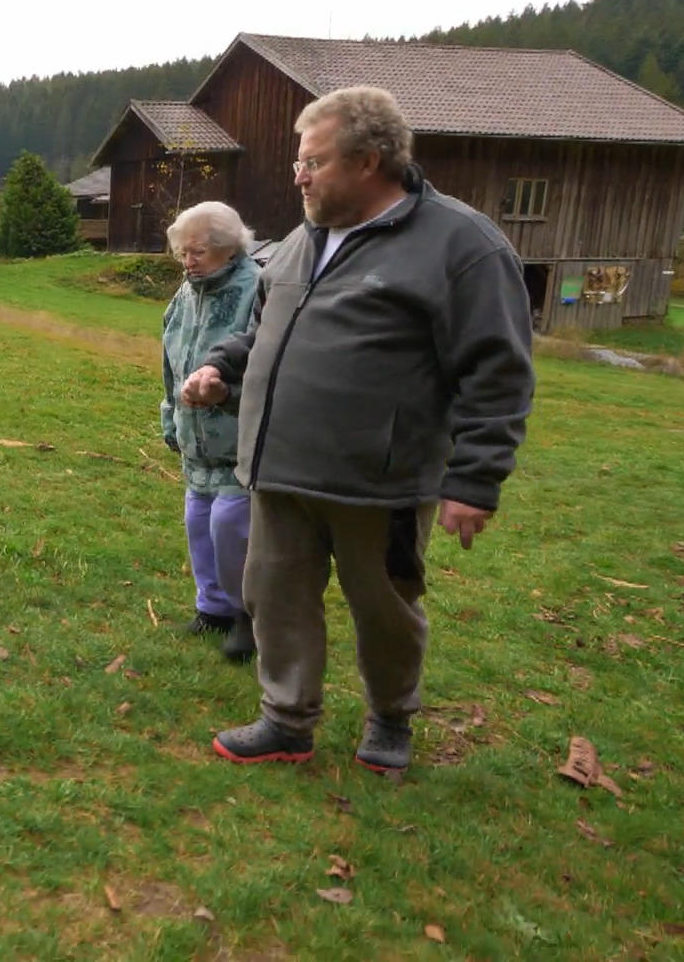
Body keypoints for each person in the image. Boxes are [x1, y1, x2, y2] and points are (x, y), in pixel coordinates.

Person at [180, 86, 534, 773]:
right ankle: (286, 720)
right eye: (298, 162)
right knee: (276, 600)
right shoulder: (300, 242)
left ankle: (391, 721)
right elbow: (263, 330)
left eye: (313, 162)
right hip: (279, 470)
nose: (299, 176)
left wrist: (476, 480)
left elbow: (499, 371)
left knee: (385, 611)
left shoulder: (461, 245)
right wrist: (221, 367)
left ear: (370, 161)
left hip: (382, 482)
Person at [160, 202, 261, 662]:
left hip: (240, 439)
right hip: (195, 437)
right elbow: (170, 363)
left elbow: (266, 362)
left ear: (228, 247)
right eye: (182, 252)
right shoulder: (184, 295)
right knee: (198, 522)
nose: (188, 261)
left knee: (231, 527)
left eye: (197, 251)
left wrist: (226, 393)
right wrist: (170, 417)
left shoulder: (256, 289)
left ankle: (248, 615)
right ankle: (212, 609)